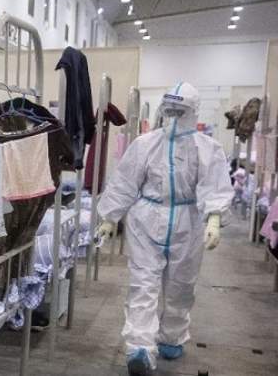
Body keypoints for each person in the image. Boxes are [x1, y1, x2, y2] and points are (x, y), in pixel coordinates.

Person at [94, 83, 233, 376]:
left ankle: (172, 335)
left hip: (187, 221)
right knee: (142, 284)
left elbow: (215, 185)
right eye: (169, 110)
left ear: (192, 112)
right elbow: (125, 182)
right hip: (146, 219)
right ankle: (140, 348)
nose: (172, 117)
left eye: (179, 112)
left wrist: (214, 218)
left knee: (181, 286)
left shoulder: (208, 149)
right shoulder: (145, 144)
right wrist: (109, 217)